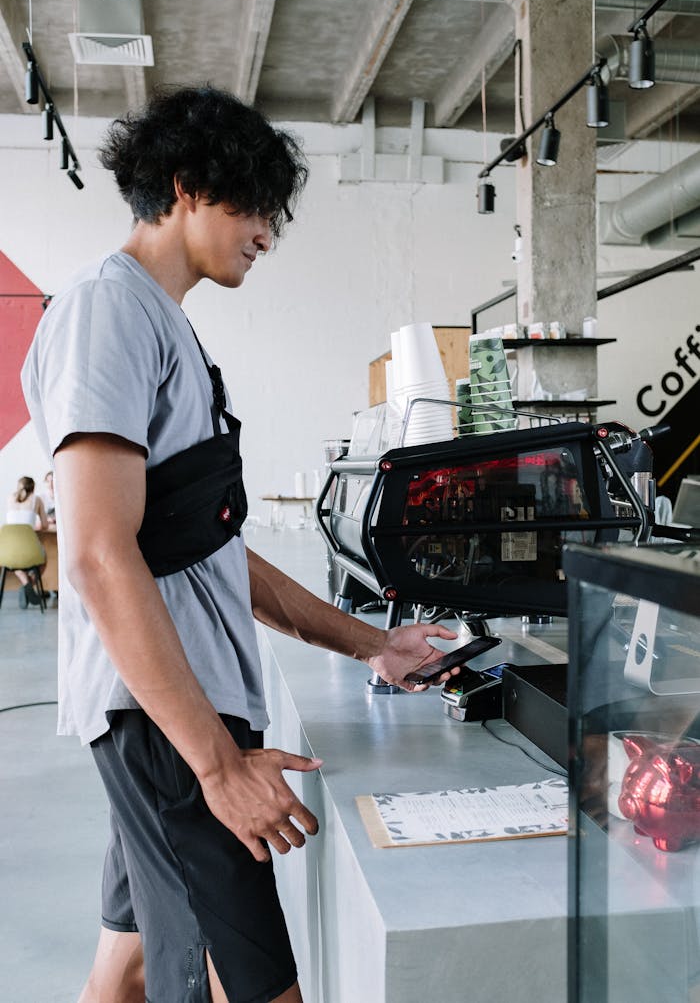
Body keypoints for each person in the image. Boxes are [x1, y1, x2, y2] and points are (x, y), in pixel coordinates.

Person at [21, 86, 459, 1003]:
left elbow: (209, 556)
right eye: (253, 206)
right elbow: (100, 555)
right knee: (255, 987)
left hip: (167, 711)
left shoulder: (160, 323)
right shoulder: (110, 312)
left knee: (132, 960)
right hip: (170, 724)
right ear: (185, 187)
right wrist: (217, 765)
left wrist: (374, 642)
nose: (267, 233)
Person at [6, 475, 48, 605]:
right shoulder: (37, 499)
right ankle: (28, 584)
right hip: (30, 549)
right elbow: (45, 526)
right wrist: (30, 528)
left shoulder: (9, 499)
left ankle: (25, 585)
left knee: (13, 562)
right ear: (33, 487)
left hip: (8, 551)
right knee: (43, 559)